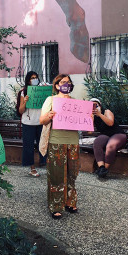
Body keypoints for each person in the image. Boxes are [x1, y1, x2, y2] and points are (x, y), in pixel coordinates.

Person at [40, 74, 80, 219]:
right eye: (63, 82)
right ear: (56, 85)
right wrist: (49, 115)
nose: (66, 84)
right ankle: (56, 205)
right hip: (56, 141)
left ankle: (70, 202)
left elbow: (84, 123)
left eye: (68, 82)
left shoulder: (76, 102)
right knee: (56, 175)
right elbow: (41, 120)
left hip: (73, 142)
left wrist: (90, 116)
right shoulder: (50, 100)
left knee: (72, 174)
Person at [18, 71, 47, 177]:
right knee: (28, 146)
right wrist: (25, 101)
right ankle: (32, 168)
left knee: (43, 144)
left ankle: (44, 163)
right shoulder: (23, 92)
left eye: (36, 77)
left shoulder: (41, 91)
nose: (35, 79)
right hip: (28, 123)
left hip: (40, 122)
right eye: (32, 78)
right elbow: (21, 110)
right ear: (28, 80)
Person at [90, 98, 127, 178]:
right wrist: (91, 120)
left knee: (110, 146)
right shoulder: (93, 116)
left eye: (96, 105)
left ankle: (104, 170)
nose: (94, 107)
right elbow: (90, 132)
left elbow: (110, 123)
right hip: (106, 135)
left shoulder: (106, 111)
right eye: (91, 106)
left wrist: (100, 114)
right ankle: (101, 167)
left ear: (100, 106)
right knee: (97, 143)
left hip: (118, 134)